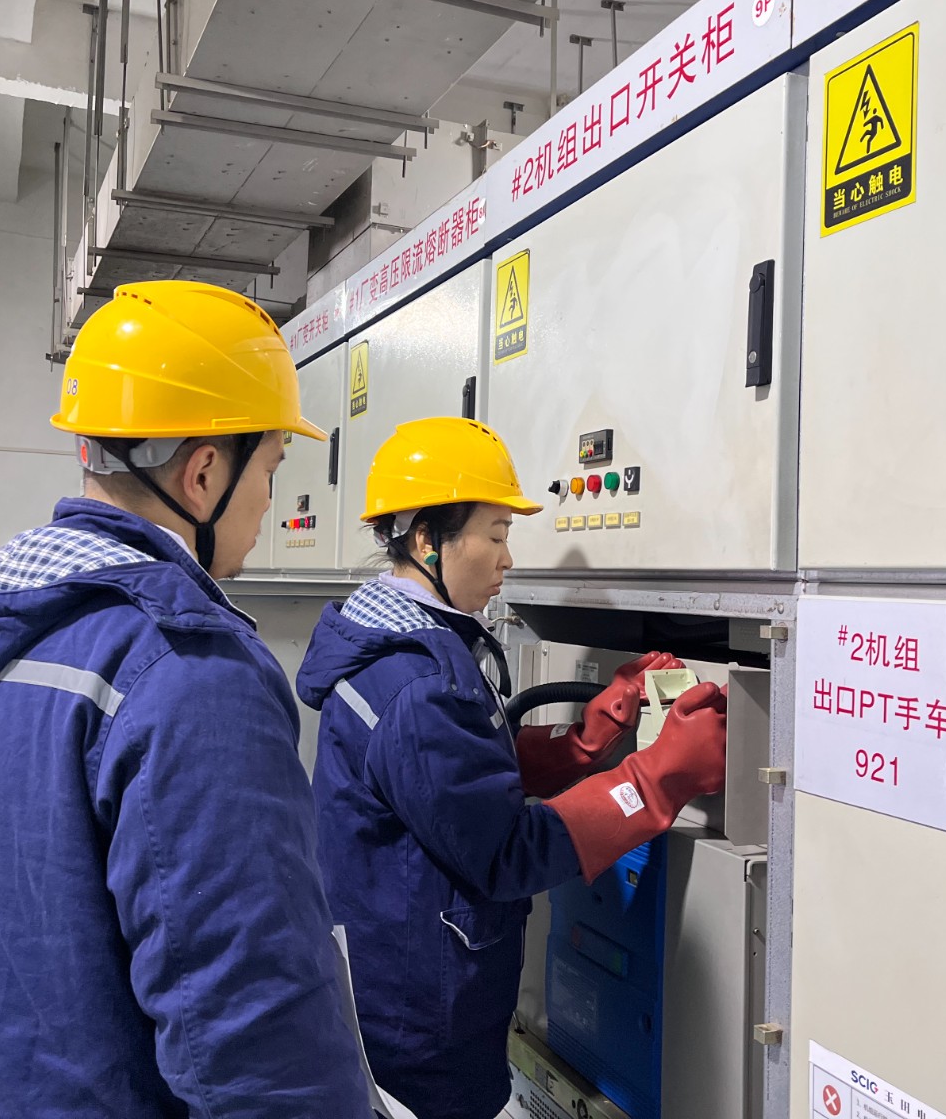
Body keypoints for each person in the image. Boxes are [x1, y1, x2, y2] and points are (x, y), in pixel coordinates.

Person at [0, 281, 373, 1117]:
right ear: (204, 473)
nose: (270, 501)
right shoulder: (187, 671)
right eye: (270, 468)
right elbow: (256, 1034)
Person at [297, 417, 729, 1119]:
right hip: (423, 1021)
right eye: (495, 535)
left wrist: (581, 745)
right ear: (427, 539)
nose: (507, 559)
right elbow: (506, 849)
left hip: (398, 982)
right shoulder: (416, 682)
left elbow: (455, 775)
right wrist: (659, 778)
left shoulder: (396, 643)